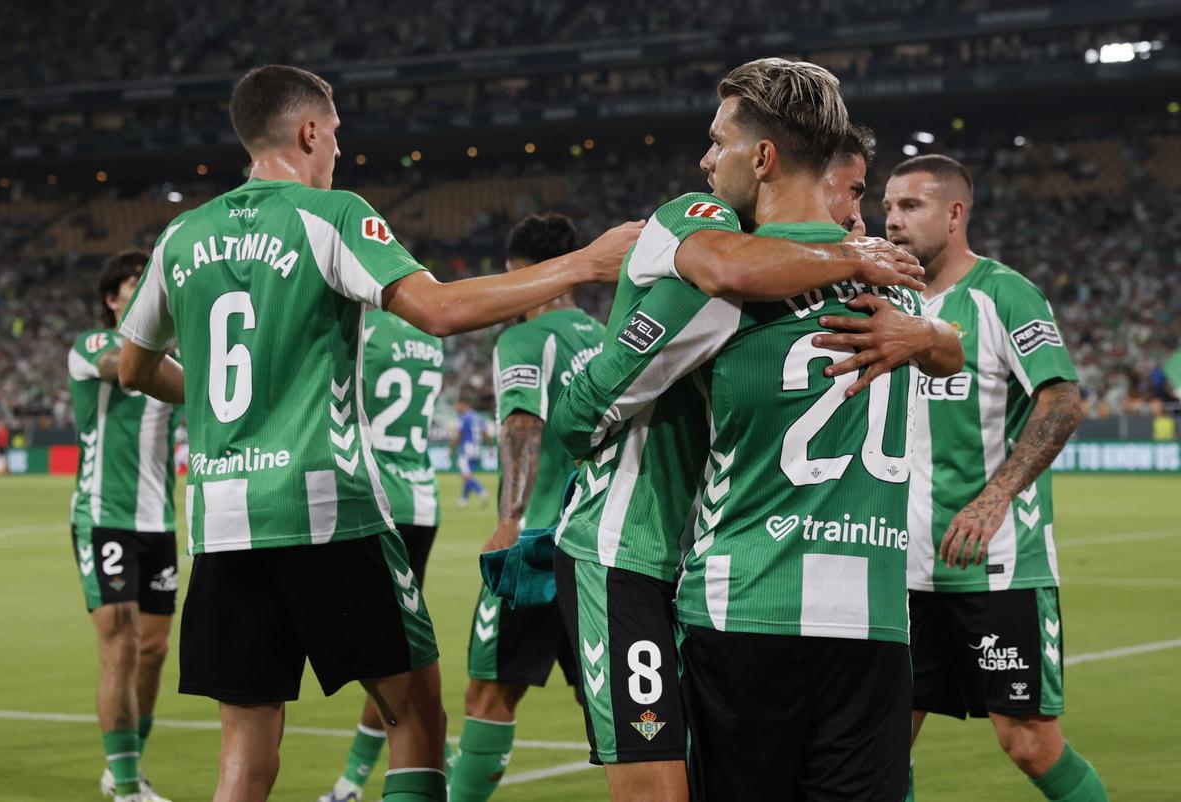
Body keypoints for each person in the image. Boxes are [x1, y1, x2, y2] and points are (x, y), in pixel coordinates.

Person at [116, 64, 639, 802]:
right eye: (334, 135)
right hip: (325, 512)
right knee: (416, 715)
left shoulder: (180, 236)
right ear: (307, 132)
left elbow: (134, 365)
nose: (338, 152)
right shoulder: (328, 216)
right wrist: (584, 263)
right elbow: (439, 310)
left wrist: (207, 402)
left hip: (223, 522)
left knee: (244, 753)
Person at [551, 59, 962, 801]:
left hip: (745, 607)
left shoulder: (720, 281)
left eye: (719, 141)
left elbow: (580, 416)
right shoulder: (895, 279)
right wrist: (928, 338)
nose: (708, 160)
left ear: (763, 157)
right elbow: (950, 348)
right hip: (875, 620)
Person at [886, 154, 1108, 802]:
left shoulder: (1002, 294)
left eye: (911, 206)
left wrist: (994, 499)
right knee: (877, 744)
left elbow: (1063, 400)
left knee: (1030, 745)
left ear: (955, 214)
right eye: (888, 207)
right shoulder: (889, 304)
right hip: (901, 566)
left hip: (996, 561)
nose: (893, 221)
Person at [449, 212, 604, 802]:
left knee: (489, 695)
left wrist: (510, 518)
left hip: (534, 547)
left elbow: (521, 424)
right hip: (596, 546)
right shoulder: (604, 335)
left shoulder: (522, 336)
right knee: (616, 709)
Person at [67, 249, 181, 802]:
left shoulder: (181, 359)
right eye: (136, 285)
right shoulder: (93, 345)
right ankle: (131, 787)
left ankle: (123, 766)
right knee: (120, 643)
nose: (145, 293)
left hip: (158, 520)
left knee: (154, 651)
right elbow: (124, 371)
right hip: (103, 514)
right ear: (113, 299)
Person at [319, 307, 445, 802]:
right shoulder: (429, 338)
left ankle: (365, 777)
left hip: (375, 500)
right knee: (398, 650)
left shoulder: (361, 325)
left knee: (375, 654)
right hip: (422, 499)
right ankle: (361, 777)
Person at [453, 399, 488, 506]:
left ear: (463, 404)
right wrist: (490, 447)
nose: (456, 408)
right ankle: (465, 499)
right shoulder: (480, 417)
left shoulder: (464, 418)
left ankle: (481, 491)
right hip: (476, 448)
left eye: (457, 405)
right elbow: (486, 434)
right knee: (469, 475)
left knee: (465, 475)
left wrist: (451, 449)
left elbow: (459, 435)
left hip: (467, 448)